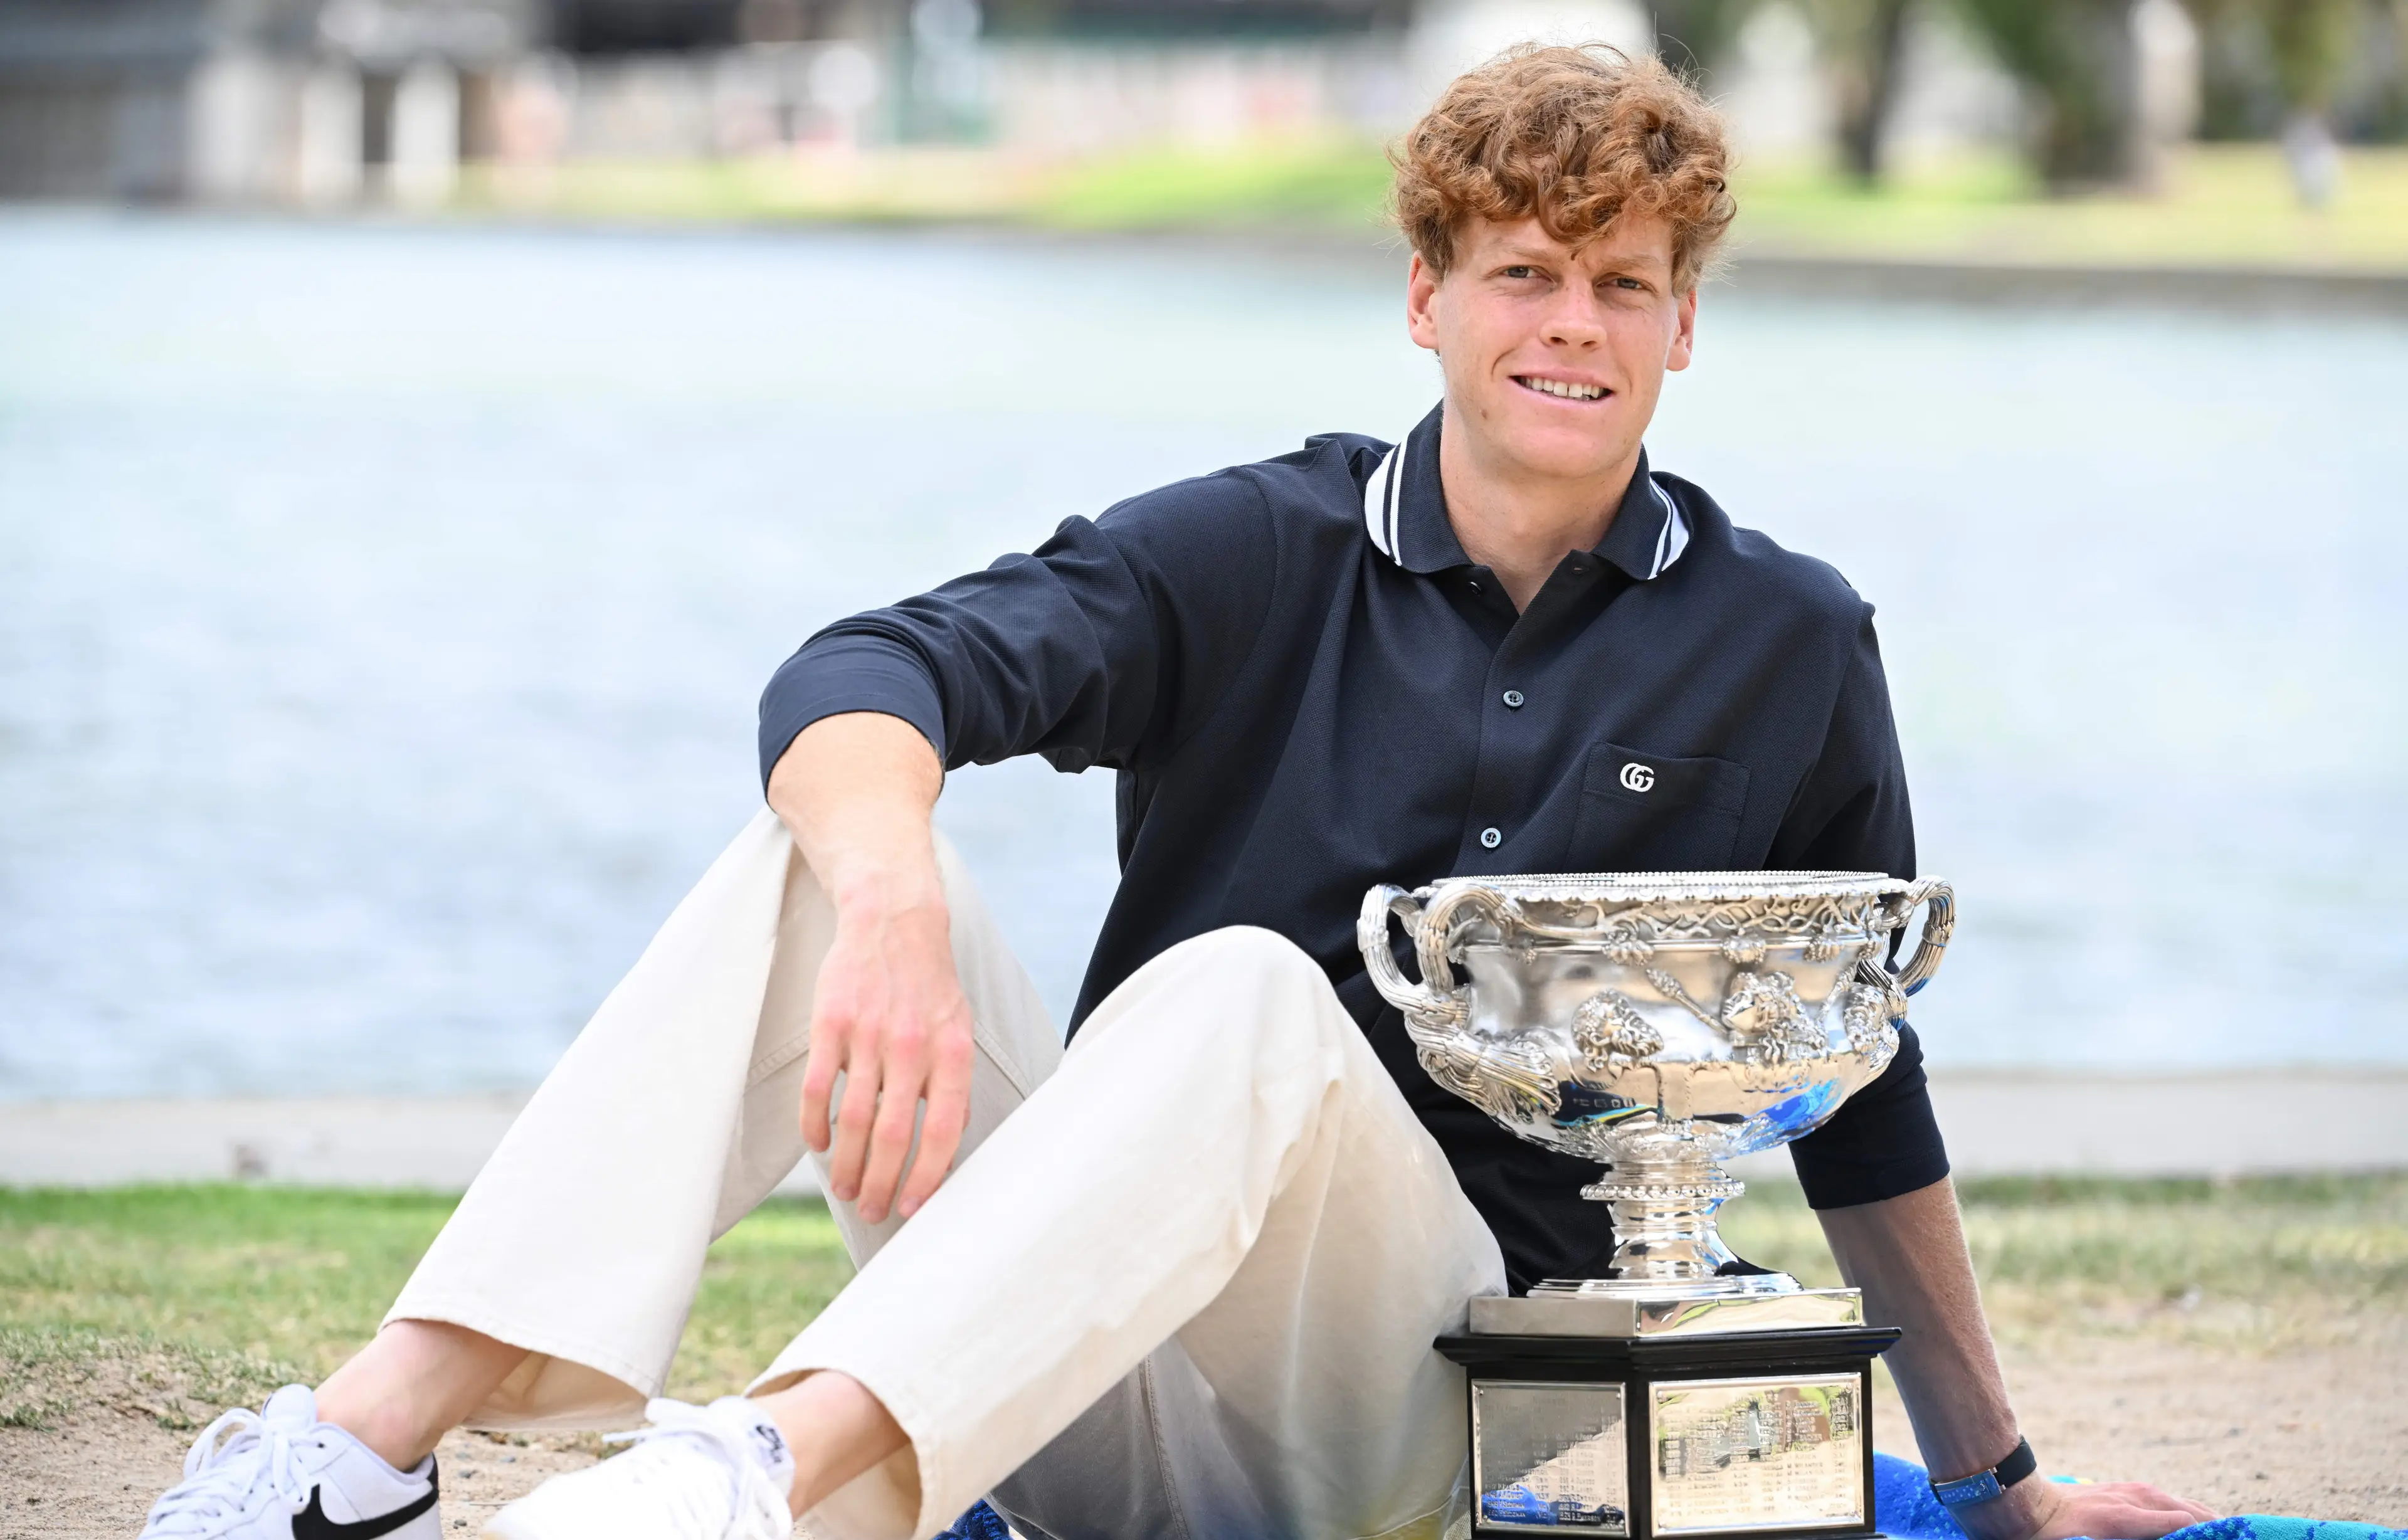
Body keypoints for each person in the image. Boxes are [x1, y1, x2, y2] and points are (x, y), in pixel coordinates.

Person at [140, 45, 2219, 1540]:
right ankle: (355, 1458)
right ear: (1428, 299)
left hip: (1434, 1411)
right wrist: (887, 902)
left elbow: (1858, 1071)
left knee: (1236, 993)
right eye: (1521, 272)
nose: (1568, 326)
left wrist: (1999, 1487)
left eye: (1620, 286)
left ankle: (755, 1471)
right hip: (1074, 1384)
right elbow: (867, 670)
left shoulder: (1789, 634)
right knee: (839, 849)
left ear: (1685, 326)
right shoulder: (1251, 546)